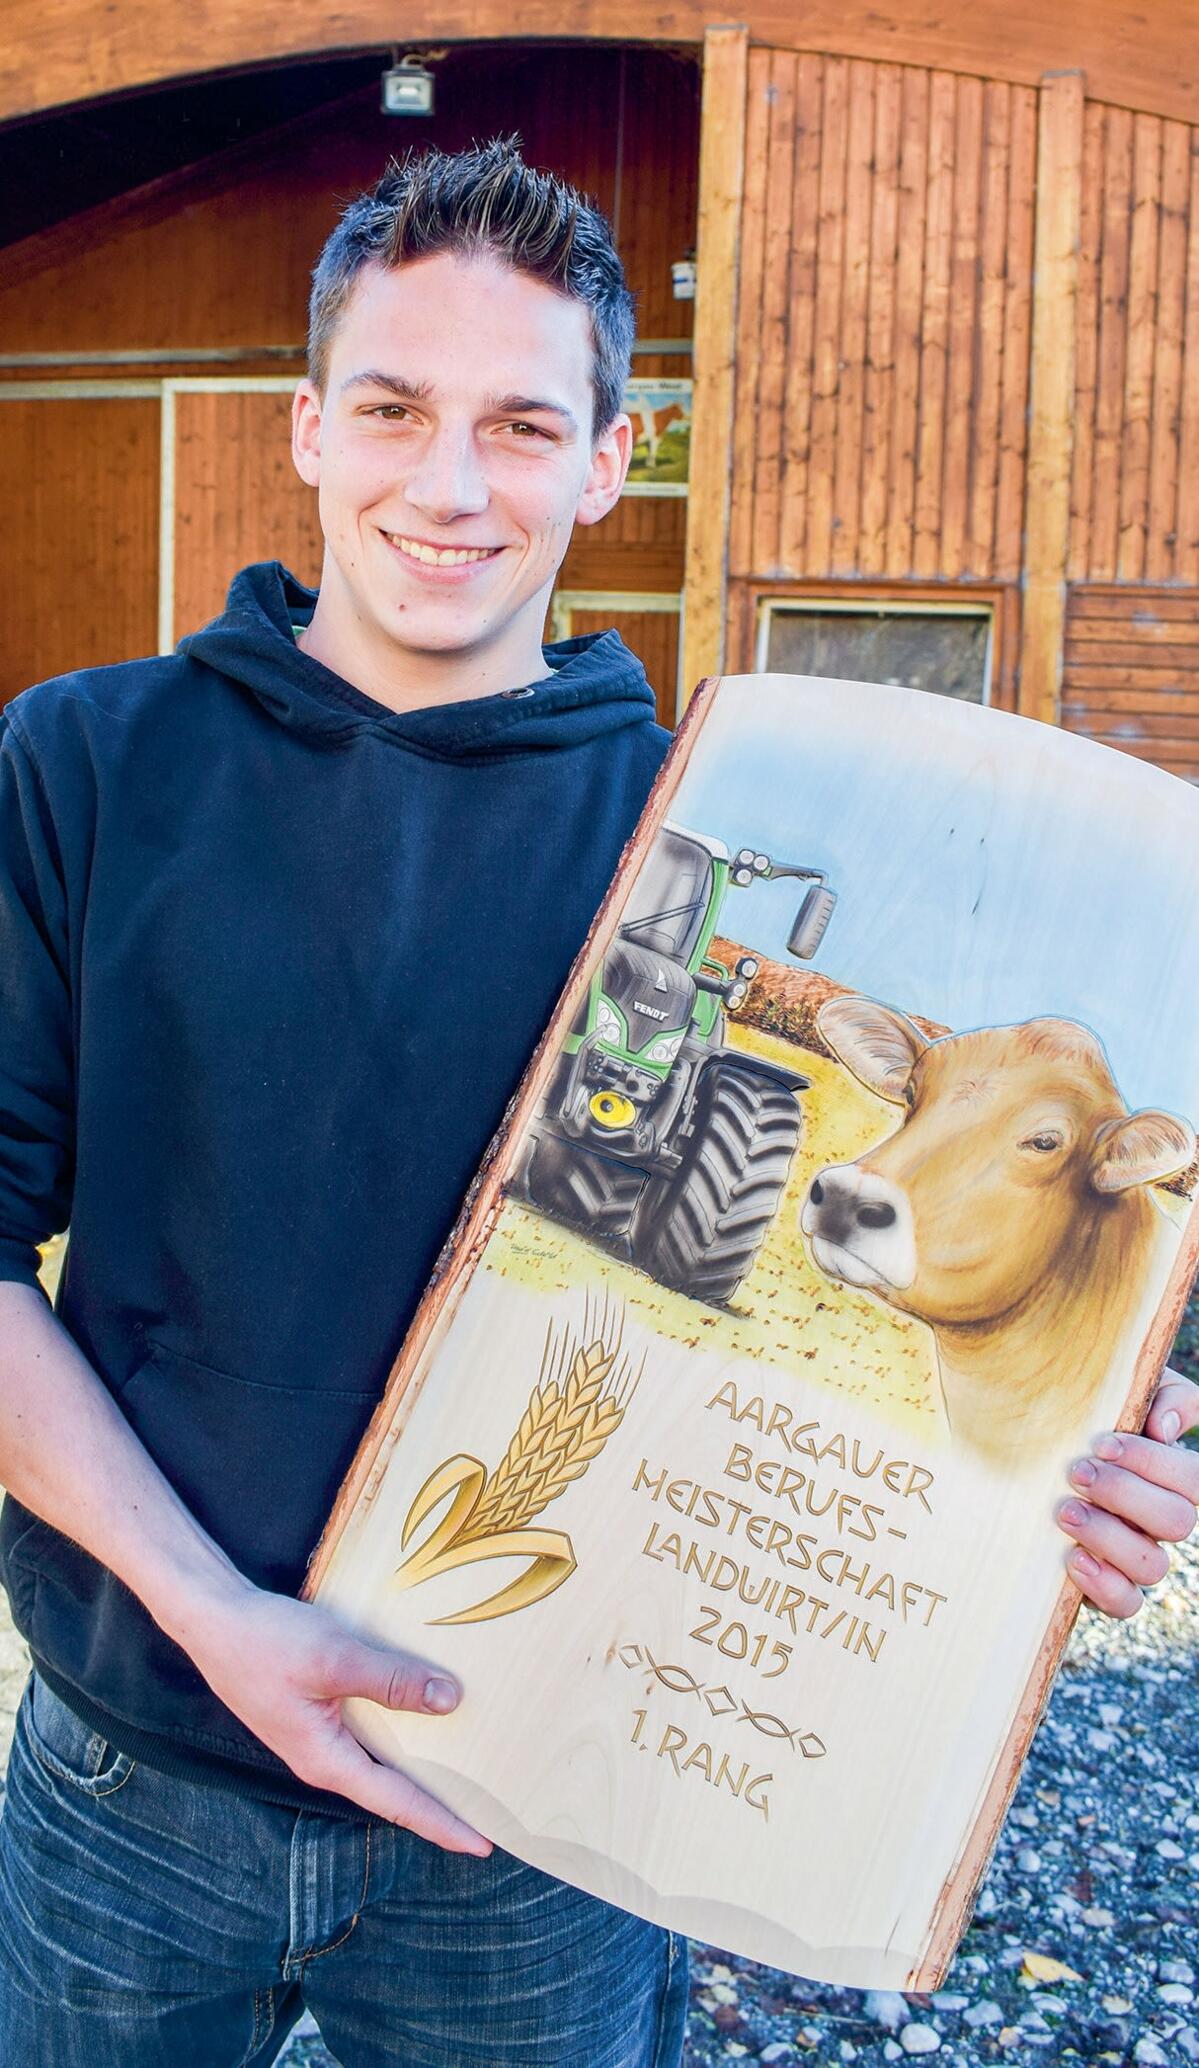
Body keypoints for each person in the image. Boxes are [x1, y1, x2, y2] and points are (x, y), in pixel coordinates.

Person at [0, 135, 1194, 2068]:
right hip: (140, 1774)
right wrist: (212, 1615)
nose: (450, 484)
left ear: (608, 459)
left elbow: (768, 1321)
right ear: (307, 430)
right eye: (393, 408)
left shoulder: (712, 862)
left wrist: (1073, 1466)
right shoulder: (85, 766)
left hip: (543, 1824)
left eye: (521, 425)